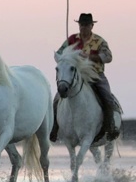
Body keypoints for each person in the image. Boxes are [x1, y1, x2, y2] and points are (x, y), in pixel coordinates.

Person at [50, 12, 120, 142]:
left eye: (87, 25)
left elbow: (108, 57)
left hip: (95, 75)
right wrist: (65, 57)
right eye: (82, 25)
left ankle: (110, 127)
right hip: (75, 76)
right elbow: (58, 54)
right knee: (56, 99)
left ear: (92, 26)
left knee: (107, 97)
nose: (84, 27)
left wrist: (91, 57)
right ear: (79, 26)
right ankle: (54, 128)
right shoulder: (71, 40)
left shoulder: (99, 41)